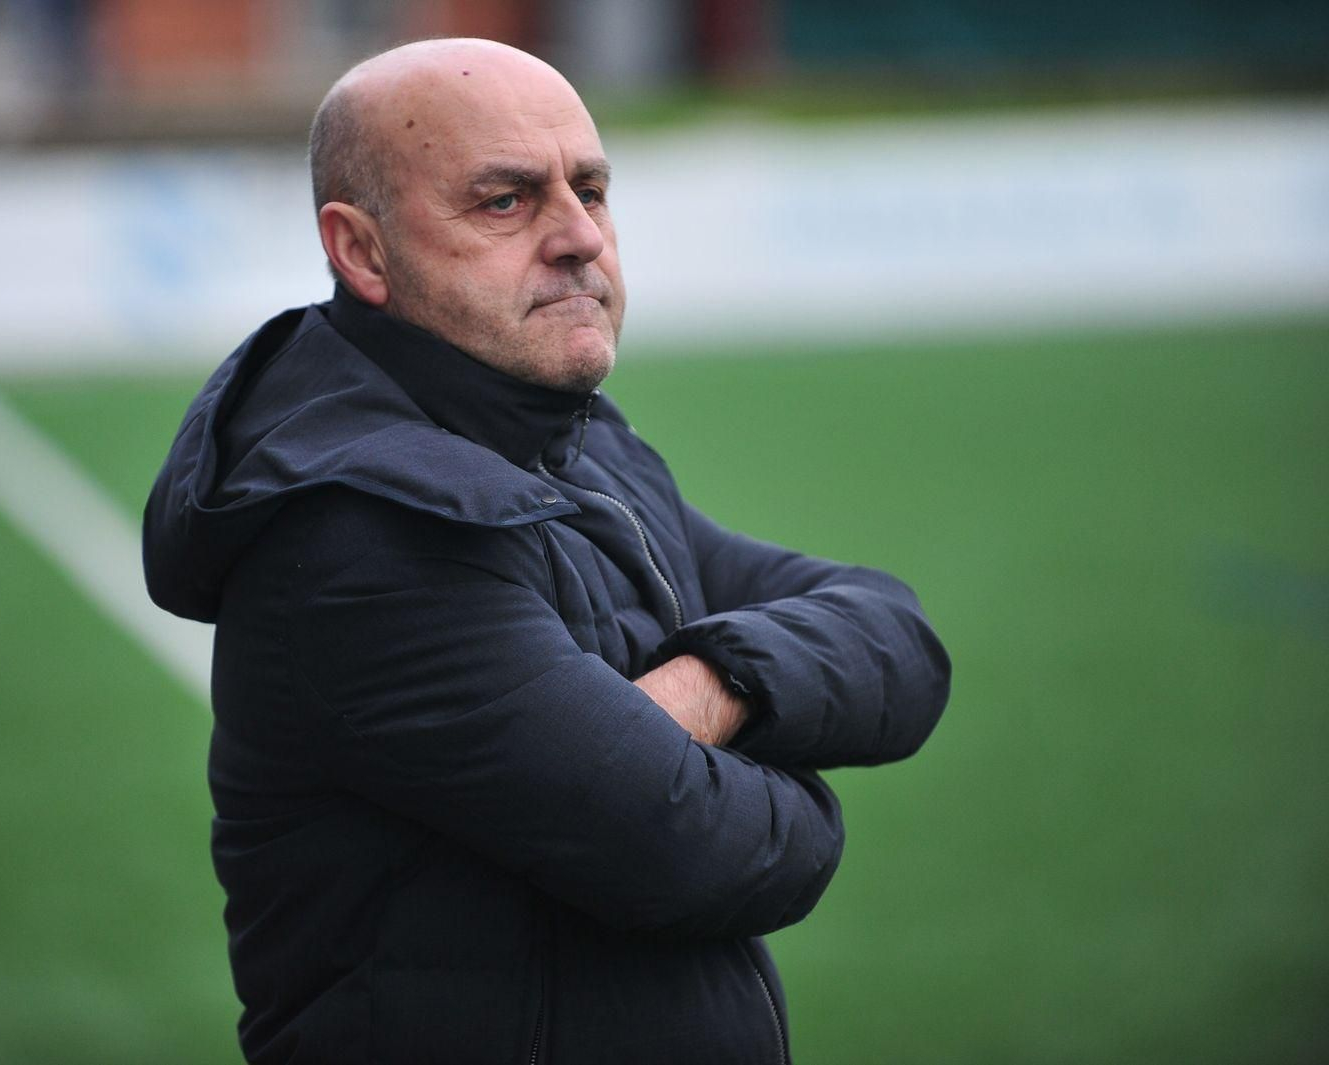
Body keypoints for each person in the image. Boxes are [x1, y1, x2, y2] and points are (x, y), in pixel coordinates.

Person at [144, 37, 950, 1065]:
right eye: (505, 202)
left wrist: (707, 686)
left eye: (593, 189)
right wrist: (812, 790)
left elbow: (896, 634)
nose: (579, 237)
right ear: (361, 252)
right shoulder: (358, 541)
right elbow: (710, 854)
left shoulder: (578, 443)